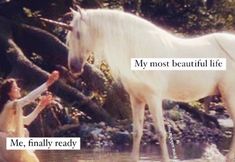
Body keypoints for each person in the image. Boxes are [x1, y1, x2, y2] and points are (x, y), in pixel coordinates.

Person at [0, 71, 59, 162]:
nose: (19, 89)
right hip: (4, 143)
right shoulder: (10, 105)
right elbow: (27, 99)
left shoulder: (13, 106)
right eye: (15, 87)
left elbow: (26, 121)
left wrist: (40, 106)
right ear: (9, 93)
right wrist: (47, 83)